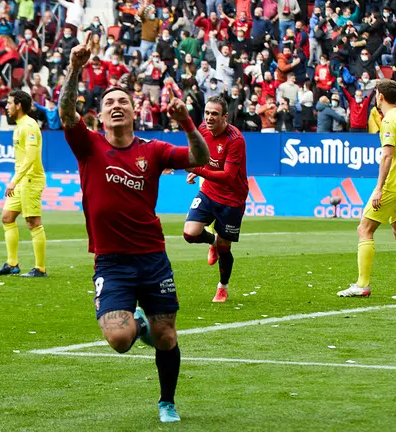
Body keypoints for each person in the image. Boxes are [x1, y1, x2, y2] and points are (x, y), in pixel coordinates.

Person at [58, 32, 210, 423]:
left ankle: (167, 402)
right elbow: (65, 113)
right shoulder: (88, 145)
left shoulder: (153, 150)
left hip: (152, 259)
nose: (115, 106)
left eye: (123, 101)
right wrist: (75, 68)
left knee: (167, 337)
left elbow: (199, 157)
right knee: (121, 339)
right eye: (108, 102)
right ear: (100, 114)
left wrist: (186, 121)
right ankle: (137, 322)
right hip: (112, 262)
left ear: (134, 110)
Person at [337, 79, 396, 300]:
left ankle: (362, 285)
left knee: (364, 229)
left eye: (376, 93)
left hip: (392, 185)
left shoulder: (389, 121)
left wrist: (378, 189)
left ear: (380, 97)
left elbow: (387, 155)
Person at [182, 95, 248, 303]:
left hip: (232, 198)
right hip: (209, 191)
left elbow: (229, 176)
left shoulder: (235, 139)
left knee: (225, 247)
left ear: (225, 117)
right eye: (207, 113)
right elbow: (199, 154)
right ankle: (212, 241)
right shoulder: (202, 129)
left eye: (214, 114)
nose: (209, 118)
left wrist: (199, 170)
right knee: (190, 233)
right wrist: (198, 169)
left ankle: (223, 287)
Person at [0, 90, 48, 277]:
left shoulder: (29, 126)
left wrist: (13, 180)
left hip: (30, 179)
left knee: (33, 222)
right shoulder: (19, 126)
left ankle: (40, 268)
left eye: (9, 103)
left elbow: (31, 156)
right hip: (21, 179)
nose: (6, 107)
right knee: (7, 217)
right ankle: (12, 264)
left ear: (19, 105)